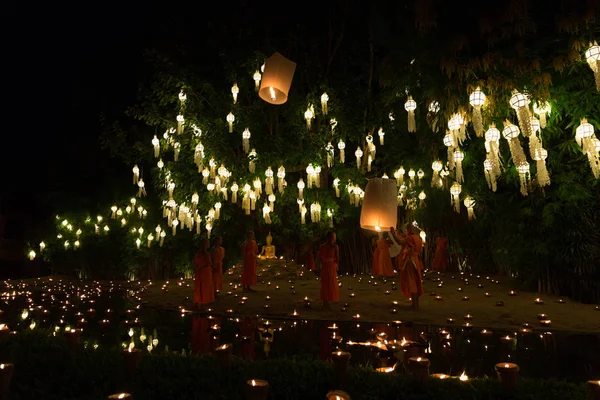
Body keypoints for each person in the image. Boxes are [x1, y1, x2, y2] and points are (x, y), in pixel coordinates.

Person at [390, 225, 424, 310]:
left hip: (410, 261)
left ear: (409, 230)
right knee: (416, 281)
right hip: (416, 260)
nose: (405, 231)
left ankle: (415, 306)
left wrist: (393, 234)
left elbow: (400, 242)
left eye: (406, 230)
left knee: (412, 282)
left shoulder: (410, 238)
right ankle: (415, 304)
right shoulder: (418, 238)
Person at [317, 231, 340, 309]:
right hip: (327, 265)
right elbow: (337, 258)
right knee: (327, 282)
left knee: (328, 282)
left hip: (328, 265)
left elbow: (320, 258)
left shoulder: (333, 247)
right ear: (332, 238)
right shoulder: (325, 247)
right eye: (334, 236)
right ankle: (326, 301)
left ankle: (327, 301)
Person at [193, 238, 214, 309]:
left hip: (199, 271)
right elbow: (209, 262)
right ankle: (202, 302)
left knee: (199, 286)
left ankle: (198, 302)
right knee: (204, 286)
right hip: (205, 271)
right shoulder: (205, 253)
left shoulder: (197, 253)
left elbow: (195, 263)